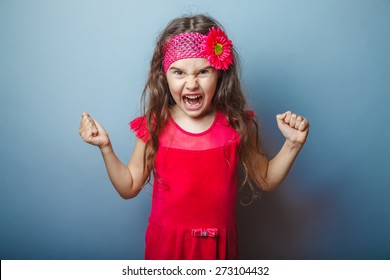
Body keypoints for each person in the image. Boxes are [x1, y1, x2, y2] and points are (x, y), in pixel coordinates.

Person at [79, 14, 309, 260]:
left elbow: (265, 179)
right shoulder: (155, 125)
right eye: (179, 72)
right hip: (167, 248)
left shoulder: (237, 125)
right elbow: (129, 186)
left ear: (220, 73)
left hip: (218, 250)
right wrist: (105, 147)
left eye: (202, 72)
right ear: (164, 75)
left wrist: (292, 144)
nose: (191, 83)